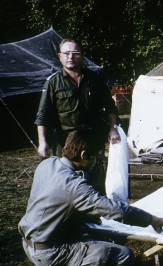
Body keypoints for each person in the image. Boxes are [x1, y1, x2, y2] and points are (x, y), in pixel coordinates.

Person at [18, 128, 163, 265]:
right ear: (84, 155)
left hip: (29, 243)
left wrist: (83, 216)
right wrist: (151, 219)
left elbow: (53, 203)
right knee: (122, 254)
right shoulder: (75, 186)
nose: (96, 161)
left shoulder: (47, 164)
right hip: (51, 253)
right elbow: (117, 211)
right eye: (96, 156)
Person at [34, 38, 120, 194]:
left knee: (97, 181)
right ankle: (72, 216)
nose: (70, 57)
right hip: (66, 141)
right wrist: (43, 142)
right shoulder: (53, 83)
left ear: (82, 55)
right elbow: (43, 115)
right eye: (66, 53)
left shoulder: (96, 79)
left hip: (94, 138)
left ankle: (97, 216)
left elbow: (110, 107)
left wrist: (113, 128)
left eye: (75, 53)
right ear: (60, 56)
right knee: (67, 183)